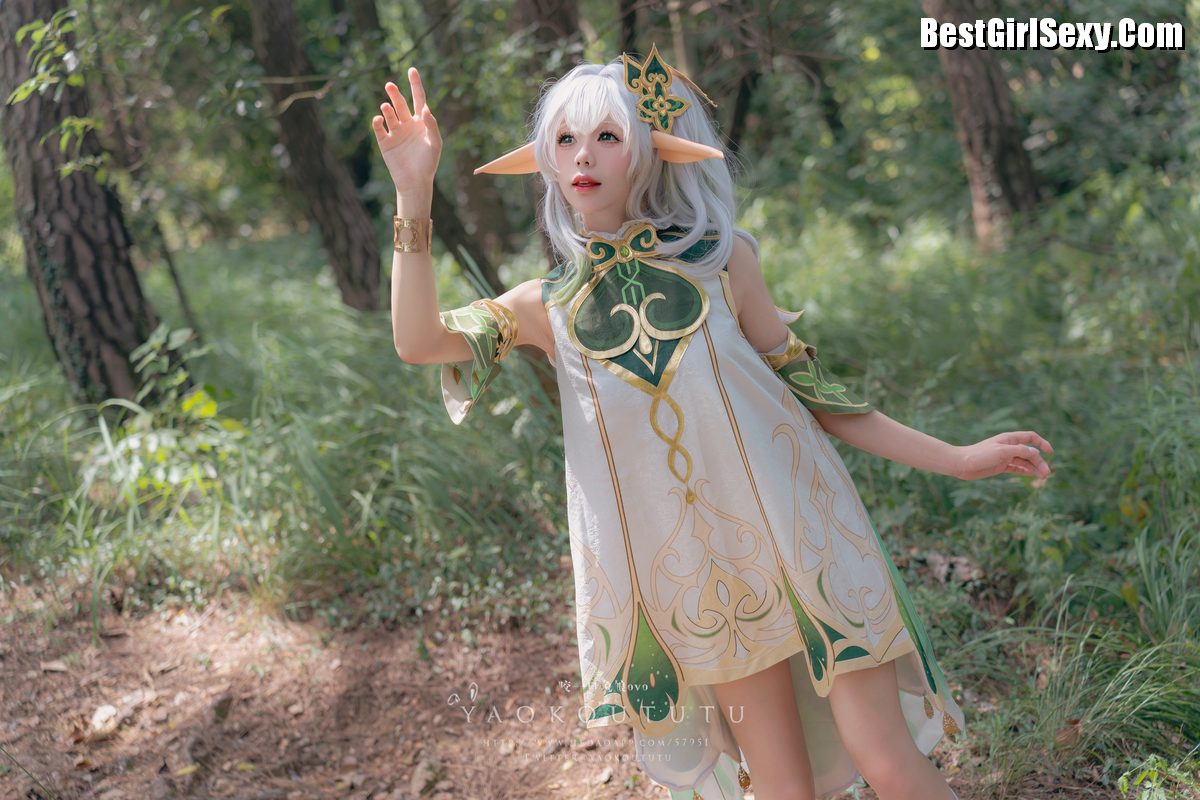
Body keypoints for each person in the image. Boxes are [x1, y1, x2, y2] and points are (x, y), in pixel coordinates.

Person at [374, 46, 1054, 800]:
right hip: (699, 583)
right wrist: (413, 191)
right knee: (782, 790)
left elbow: (818, 395)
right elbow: (418, 342)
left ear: (650, 149)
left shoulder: (723, 260)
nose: (583, 156)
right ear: (545, 161)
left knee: (888, 761)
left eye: (607, 136)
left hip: (806, 541)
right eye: (564, 140)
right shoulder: (544, 306)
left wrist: (958, 458)